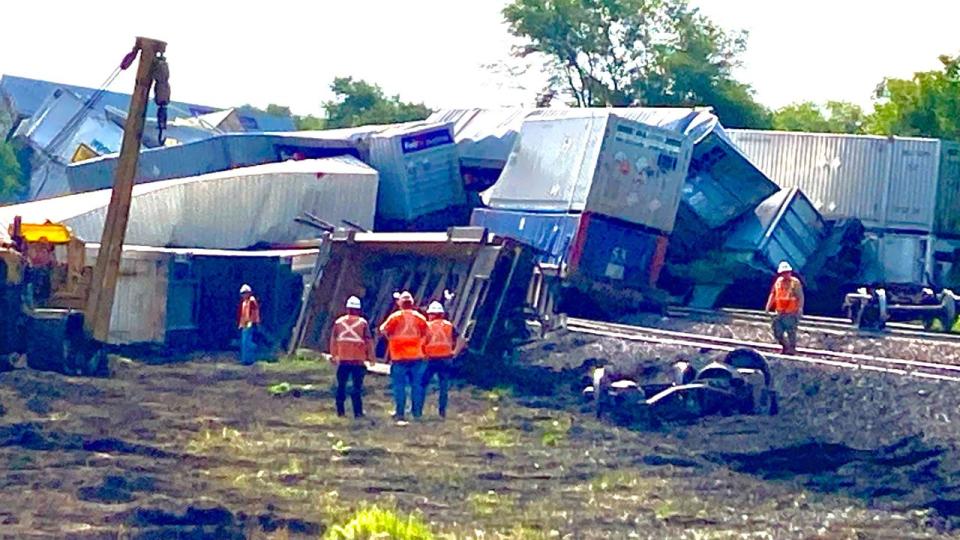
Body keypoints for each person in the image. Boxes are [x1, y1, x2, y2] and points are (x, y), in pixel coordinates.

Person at [379, 291, 428, 422]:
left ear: (400, 303)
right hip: (416, 357)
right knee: (416, 386)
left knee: (399, 386)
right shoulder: (420, 318)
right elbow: (427, 333)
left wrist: (391, 338)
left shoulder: (395, 317)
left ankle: (400, 412)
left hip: (399, 357)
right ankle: (416, 413)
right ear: (412, 303)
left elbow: (383, 330)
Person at [329, 296, 374, 418]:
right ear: (358, 309)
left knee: (341, 386)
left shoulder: (339, 322)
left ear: (347, 308)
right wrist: (371, 357)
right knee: (357, 388)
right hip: (358, 361)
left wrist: (334, 355)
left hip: (343, 360)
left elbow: (334, 339)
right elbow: (368, 340)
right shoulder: (362, 323)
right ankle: (358, 412)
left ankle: (340, 412)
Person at [421, 301, 460, 418]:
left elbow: (421, 343)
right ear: (442, 314)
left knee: (422, 385)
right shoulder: (449, 326)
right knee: (443, 386)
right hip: (446, 359)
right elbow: (461, 340)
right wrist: (455, 352)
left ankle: (418, 409)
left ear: (431, 314)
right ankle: (442, 412)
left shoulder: (427, 326)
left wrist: (422, 354)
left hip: (430, 360)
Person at [765, 261, 804, 354]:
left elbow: (800, 296)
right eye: (784, 272)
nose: (786, 274)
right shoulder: (778, 282)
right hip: (779, 312)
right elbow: (773, 294)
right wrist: (768, 306)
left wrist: (800, 308)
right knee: (777, 331)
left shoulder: (795, 282)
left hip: (791, 312)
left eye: (787, 272)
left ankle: (791, 349)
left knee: (791, 332)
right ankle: (785, 346)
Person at [236, 284, 261, 365]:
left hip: (250, 323)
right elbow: (243, 314)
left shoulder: (251, 301)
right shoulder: (244, 302)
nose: (243, 295)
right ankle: (245, 359)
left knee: (247, 341)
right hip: (245, 323)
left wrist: (255, 322)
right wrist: (241, 323)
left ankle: (249, 359)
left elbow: (255, 312)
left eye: (244, 293)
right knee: (244, 342)